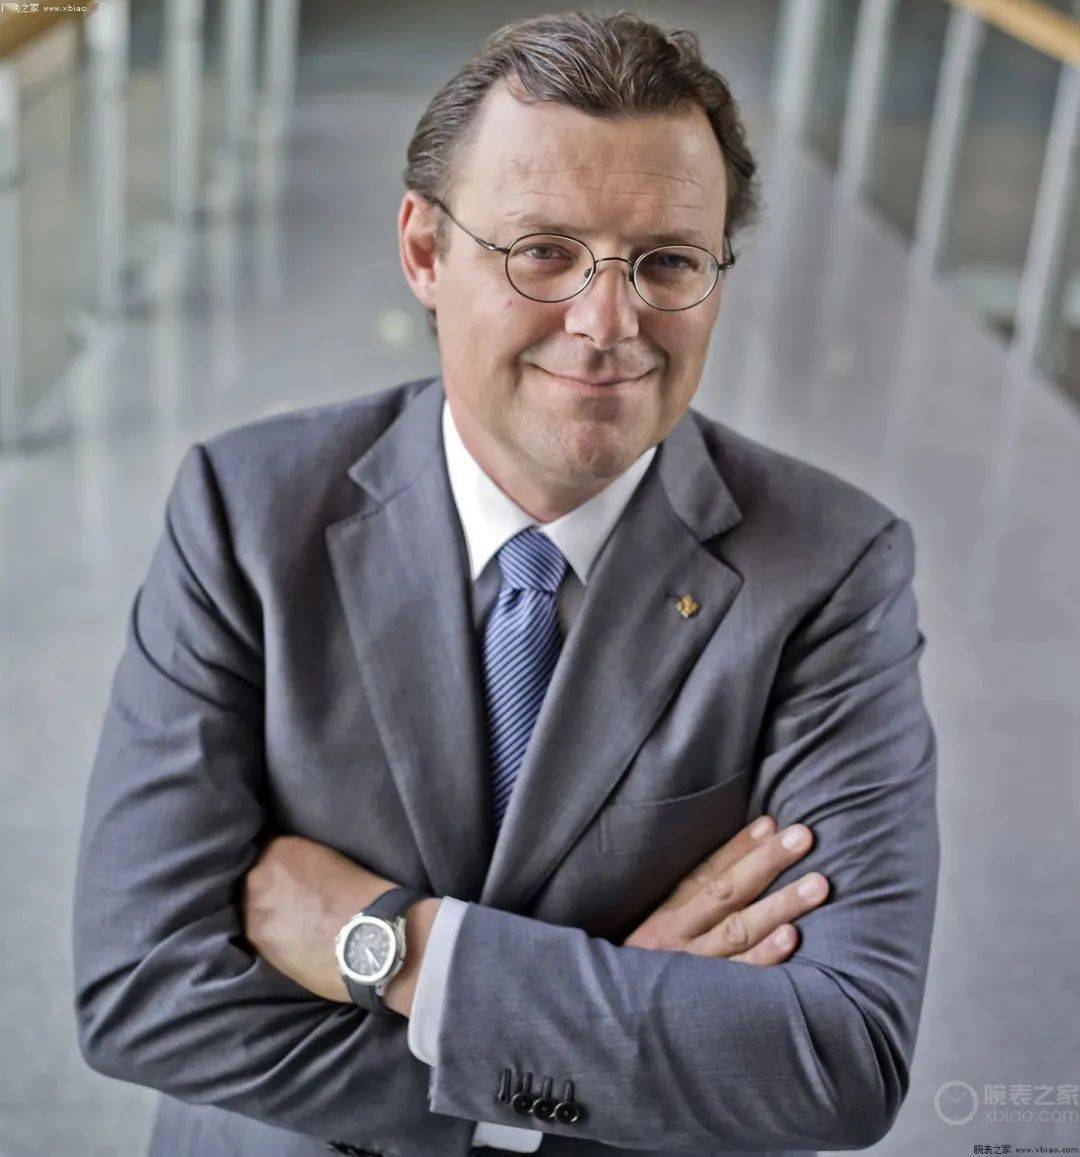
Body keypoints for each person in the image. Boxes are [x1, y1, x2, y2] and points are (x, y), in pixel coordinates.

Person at [72, 11, 939, 1157]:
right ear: (426, 253)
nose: (607, 322)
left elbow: (840, 1057)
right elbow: (140, 988)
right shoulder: (246, 513)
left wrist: (397, 947)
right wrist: (573, 1048)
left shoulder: (831, 567)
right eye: (543, 251)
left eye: (668, 262)